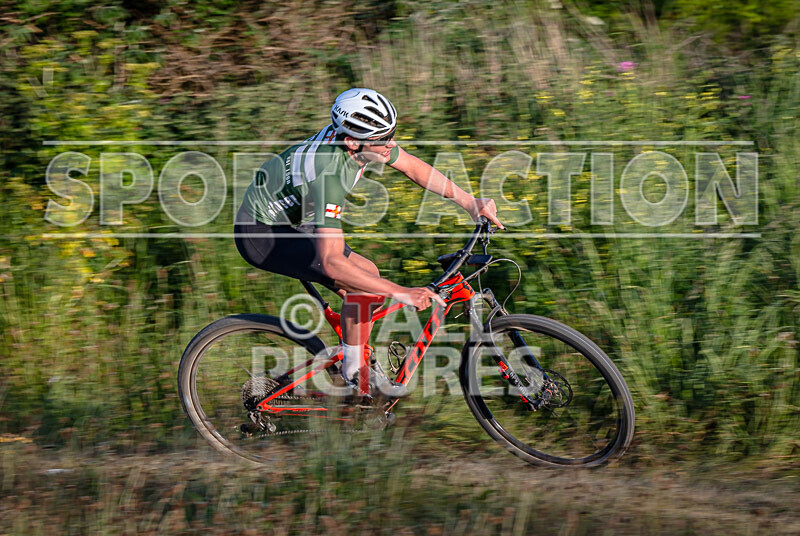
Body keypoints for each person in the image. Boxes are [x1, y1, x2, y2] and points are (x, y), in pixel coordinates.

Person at [235, 88, 503, 393]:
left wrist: (470, 202)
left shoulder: (359, 141)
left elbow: (412, 166)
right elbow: (333, 263)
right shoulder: (330, 174)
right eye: (383, 139)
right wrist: (402, 292)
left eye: (392, 134)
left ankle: (350, 365)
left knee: (368, 281)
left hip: (291, 217)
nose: (391, 144)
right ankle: (354, 376)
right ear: (352, 141)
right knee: (363, 285)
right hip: (261, 233)